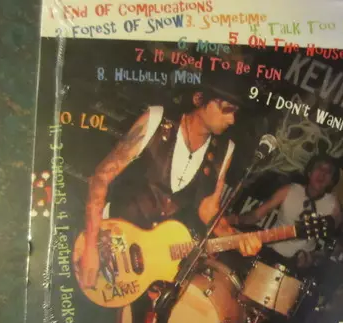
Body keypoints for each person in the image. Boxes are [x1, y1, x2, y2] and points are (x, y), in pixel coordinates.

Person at [78, 75, 263, 289]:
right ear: (199, 99)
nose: (232, 120)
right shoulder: (157, 120)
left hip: (150, 262)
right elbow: (101, 177)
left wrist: (237, 238)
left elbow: (209, 211)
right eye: (227, 110)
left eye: (235, 113)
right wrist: (91, 245)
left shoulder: (224, 151)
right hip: (108, 243)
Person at [228, 154, 343, 273]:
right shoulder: (290, 190)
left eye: (328, 171)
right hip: (270, 253)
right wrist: (235, 219)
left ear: (332, 181)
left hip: (299, 267)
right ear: (309, 172)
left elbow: (338, 243)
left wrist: (313, 257)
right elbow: (256, 215)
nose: (322, 174)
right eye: (319, 168)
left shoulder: (333, 205)